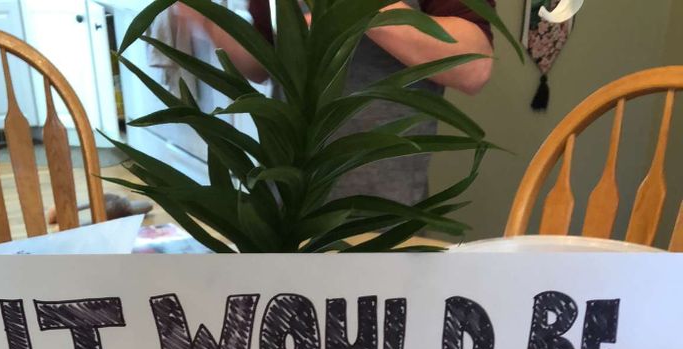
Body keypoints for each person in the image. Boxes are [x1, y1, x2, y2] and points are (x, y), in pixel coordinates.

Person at [172, 1, 496, 203]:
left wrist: (358, 10)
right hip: (286, 200)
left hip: (381, 212)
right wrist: (207, 18)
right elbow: (261, 65)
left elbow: (473, 67)